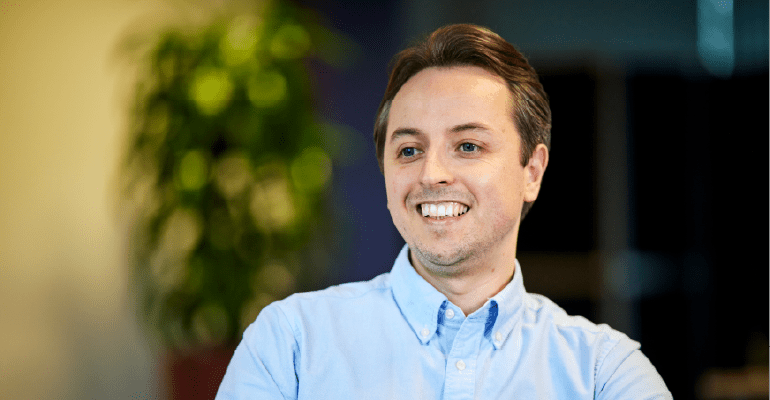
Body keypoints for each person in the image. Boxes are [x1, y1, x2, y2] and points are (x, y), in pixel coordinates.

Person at [216, 24, 672, 399]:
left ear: (532, 171)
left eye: (468, 145)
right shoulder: (290, 345)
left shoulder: (604, 373)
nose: (431, 173)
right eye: (410, 149)